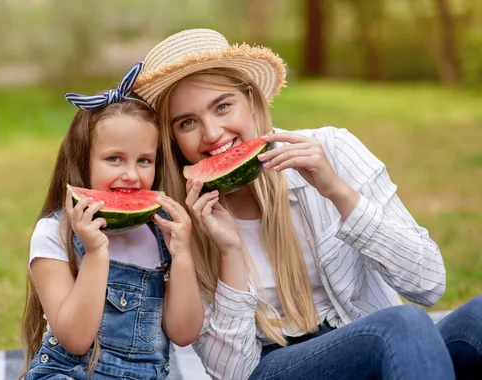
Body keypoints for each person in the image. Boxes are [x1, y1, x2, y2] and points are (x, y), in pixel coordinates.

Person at [133, 29, 482, 380]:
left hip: (378, 344)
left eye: (223, 106)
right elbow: (234, 374)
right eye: (188, 122)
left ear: (252, 100)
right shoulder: (177, 225)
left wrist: (338, 192)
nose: (211, 133)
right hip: (277, 366)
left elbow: (428, 284)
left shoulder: (332, 149)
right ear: (172, 138)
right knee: (402, 324)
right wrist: (229, 253)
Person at [20, 62, 204, 380]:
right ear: (81, 160)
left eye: (144, 160)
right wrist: (94, 253)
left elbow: (184, 333)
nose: (131, 175)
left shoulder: (160, 233)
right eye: (114, 159)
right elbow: (75, 340)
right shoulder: (53, 233)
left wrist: (183, 256)